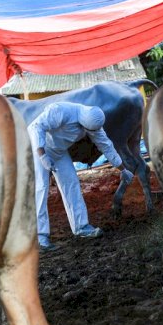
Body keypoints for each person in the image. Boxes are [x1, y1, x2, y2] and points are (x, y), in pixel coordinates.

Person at [27, 101, 134, 251]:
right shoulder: (61, 110)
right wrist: (42, 156)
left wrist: (122, 169)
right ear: (83, 123)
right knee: (41, 188)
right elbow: (35, 126)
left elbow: (106, 145)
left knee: (71, 183)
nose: (90, 132)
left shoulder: (93, 124)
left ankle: (81, 227)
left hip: (59, 152)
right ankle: (41, 237)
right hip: (40, 149)